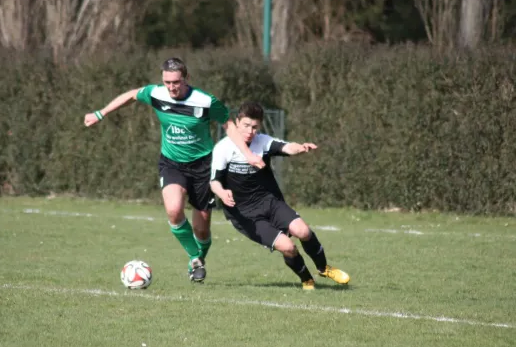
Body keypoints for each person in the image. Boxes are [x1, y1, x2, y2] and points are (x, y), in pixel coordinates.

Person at [84, 57, 265, 283]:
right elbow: (131, 95)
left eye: (176, 82)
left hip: (203, 166)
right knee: (173, 210)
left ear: (187, 78)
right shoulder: (156, 93)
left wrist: (248, 155)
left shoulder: (205, 101)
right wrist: (101, 113)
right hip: (172, 163)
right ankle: (194, 260)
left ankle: (199, 257)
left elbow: (228, 124)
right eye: (167, 82)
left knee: (202, 230)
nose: (171, 87)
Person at [210, 102, 350, 290]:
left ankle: (324, 268)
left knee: (303, 232)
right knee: (288, 247)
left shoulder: (262, 141)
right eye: (246, 125)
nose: (250, 131)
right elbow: (214, 181)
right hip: (245, 213)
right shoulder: (223, 148)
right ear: (236, 123)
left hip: (270, 202)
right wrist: (221, 192)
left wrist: (300, 148)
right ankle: (307, 279)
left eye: (254, 127)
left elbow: (285, 147)